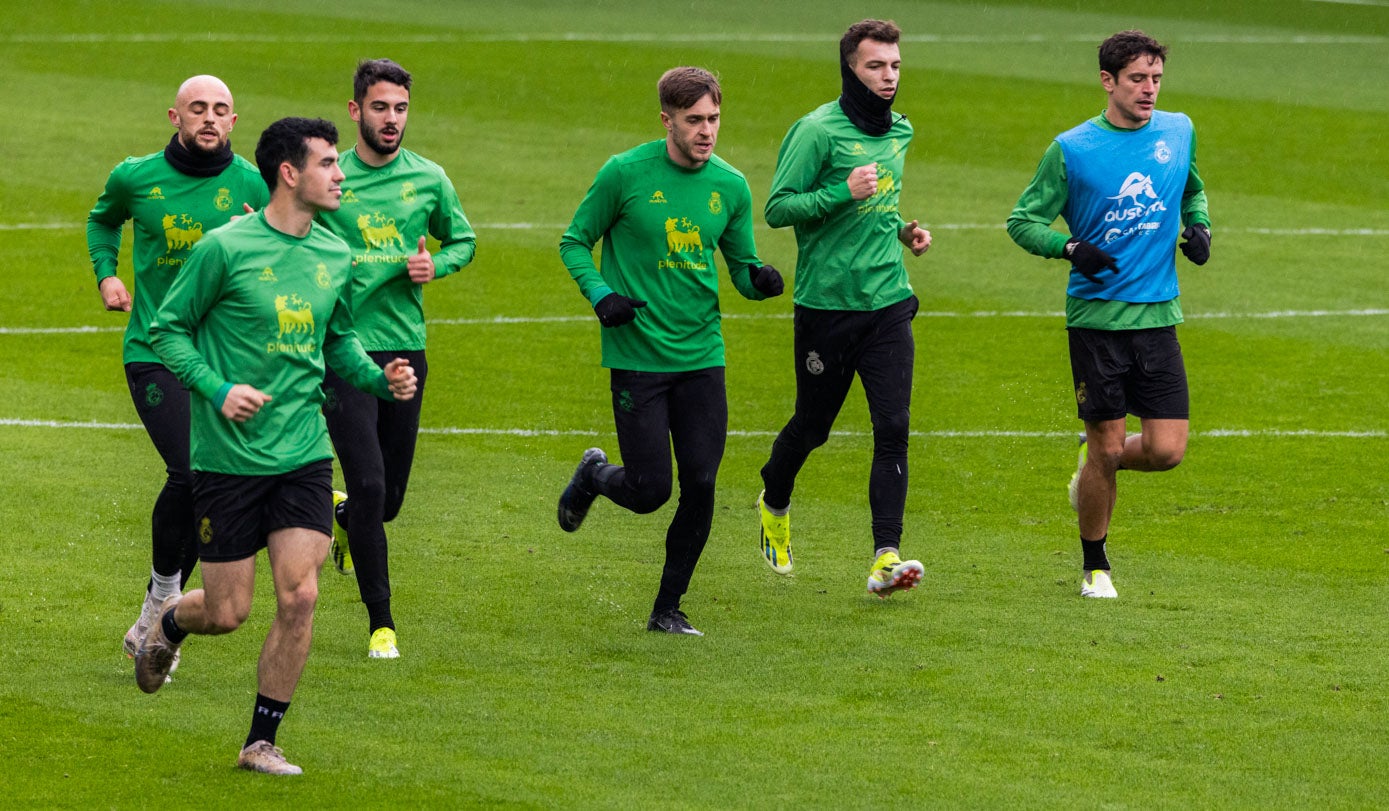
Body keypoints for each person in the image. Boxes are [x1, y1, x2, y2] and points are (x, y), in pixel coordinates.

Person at [136, 117, 418, 776]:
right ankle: (172, 622)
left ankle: (260, 739)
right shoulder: (224, 249)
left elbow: (338, 339)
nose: (341, 173)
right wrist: (217, 386)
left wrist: (381, 378)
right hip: (228, 458)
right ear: (289, 173)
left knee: (300, 596)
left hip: (302, 450)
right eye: (327, 163)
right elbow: (166, 330)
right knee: (228, 610)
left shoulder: (334, 253)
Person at [556, 66, 784, 636]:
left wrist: (761, 281)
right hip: (639, 357)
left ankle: (668, 608)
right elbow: (574, 241)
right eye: (694, 121)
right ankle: (594, 476)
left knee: (702, 483)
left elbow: (741, 267)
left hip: (702, 355)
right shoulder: (624, 174)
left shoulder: (730, 185)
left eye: (713, 119)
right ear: (667, 120)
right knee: (650, 490)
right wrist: (601, 294)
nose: (706, 131)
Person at [1006, 30, 1211, 599]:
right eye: (1138, 80)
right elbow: (1023, 221)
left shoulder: (1178, 130)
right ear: (1108, 81)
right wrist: (1069, 248)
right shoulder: (1072, 149)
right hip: (1096, 322)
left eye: (1156, 79)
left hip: (1159, 318)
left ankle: (1096, 465)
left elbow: (1192, 191)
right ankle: (1095, 567)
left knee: (1167, 451)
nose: (1150, 91)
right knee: (1108, 445)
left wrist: (1200, 230)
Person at [86, 75, 269, 668]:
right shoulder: (135, 177)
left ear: (234, 122)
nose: (210, 118)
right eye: (198, 109)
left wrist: (262, 233)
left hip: (224, 361)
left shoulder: (253, 184)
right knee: (190, 469)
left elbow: (287, 248)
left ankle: (152, 612)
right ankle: (165, 597)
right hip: (155, 351)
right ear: (175, 116)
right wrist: (107, 274)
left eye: (221, 110)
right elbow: (102, 220)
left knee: (206, 479)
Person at [755, 19, 932, 598]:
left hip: (887, 301)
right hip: (826, 309)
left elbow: (882, 200)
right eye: (876, 66)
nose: (889, 77)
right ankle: (773, 501)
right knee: (812, 427)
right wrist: (840, 192)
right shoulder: (815, 131)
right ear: (850, 68)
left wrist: (904, 231)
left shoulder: (900, 131)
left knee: (894, 428)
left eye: (896, 65)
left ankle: (886, 556)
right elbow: (779, 209)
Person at [314, 58, 476, 660]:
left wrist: (438, 264)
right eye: (379, 107)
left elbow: (464, 239)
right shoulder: (330, 176)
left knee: (389, 501)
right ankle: (382, 623)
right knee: (371, 481)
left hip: (405, 349)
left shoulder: (430, 179)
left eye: (400, 108)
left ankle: (347, 516)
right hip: (342, 348)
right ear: (356, 110)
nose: (391, 119)